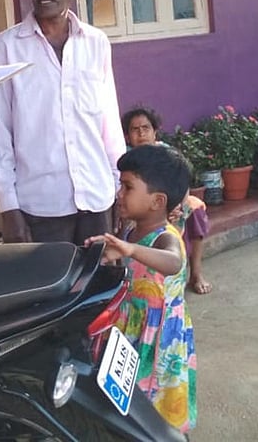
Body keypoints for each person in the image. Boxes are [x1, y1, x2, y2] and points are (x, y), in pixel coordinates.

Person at [0, 0, 125, 244]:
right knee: (49, 291)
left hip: (96, 198)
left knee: (99, 288)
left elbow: (109, 126)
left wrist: (120, 189)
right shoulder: (6, 48)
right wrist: (9, 209)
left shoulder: (96, 42)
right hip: (41, 208)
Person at [86, 144, 197, 433]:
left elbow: (172, 262)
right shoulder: (130, 230)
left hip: (160, 337)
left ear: (157, 201)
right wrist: (107, 251)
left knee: (159, 410)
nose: (119, 194)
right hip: (130, 328)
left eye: (127, 187)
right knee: (132, 406)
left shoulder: (165, 238)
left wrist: (131, 249)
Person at [122, 105, 213, 294]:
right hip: (140, 207)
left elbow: (182, 183)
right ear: (127, 136)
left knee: (195, 212)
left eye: (145, 128)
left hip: (171, 204)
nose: (141, 134)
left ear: (155, 132)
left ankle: (196, 273)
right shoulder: (126, 159)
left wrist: (176, 205)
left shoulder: (167, 154)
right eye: (135, 129)